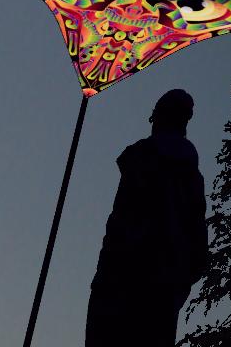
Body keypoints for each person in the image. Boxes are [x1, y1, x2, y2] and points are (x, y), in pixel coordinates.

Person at [85, 87, 209, 346]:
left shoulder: (140, 162)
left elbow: (118, 225)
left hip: (120, 283)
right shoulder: (188, 177)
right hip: (161, 288)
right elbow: (198, 248)